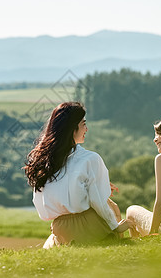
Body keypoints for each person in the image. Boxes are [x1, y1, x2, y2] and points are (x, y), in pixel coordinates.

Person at [24, 102, 132, 248]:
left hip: (59, 227)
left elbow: (43, 204)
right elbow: (98, 201)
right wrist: (115, 226)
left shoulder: (41, 161)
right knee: (112, 206)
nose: (86, 129)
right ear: (72, 128)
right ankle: (117, 239)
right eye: (83, 124)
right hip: (88, 225)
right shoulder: (90, 159)